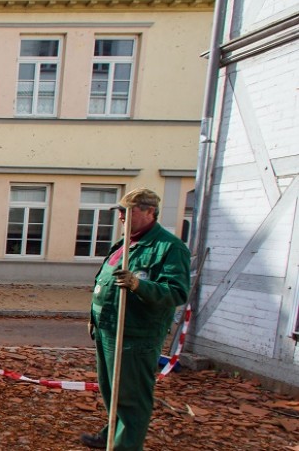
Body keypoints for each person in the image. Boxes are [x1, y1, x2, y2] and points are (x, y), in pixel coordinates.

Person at [81, 188, 190, 450]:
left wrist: (139, 286)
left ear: (150, 212)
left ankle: (126, 445)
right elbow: (104, 283)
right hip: (108, 329)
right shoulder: (126, 243)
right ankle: (113, 435)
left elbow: (176, 292)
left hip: (135, 336)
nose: (120, 216)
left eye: (127, 211)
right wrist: (93, 317)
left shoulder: (169, 248)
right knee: (111, 390)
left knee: (132, 396)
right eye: (119, 211)